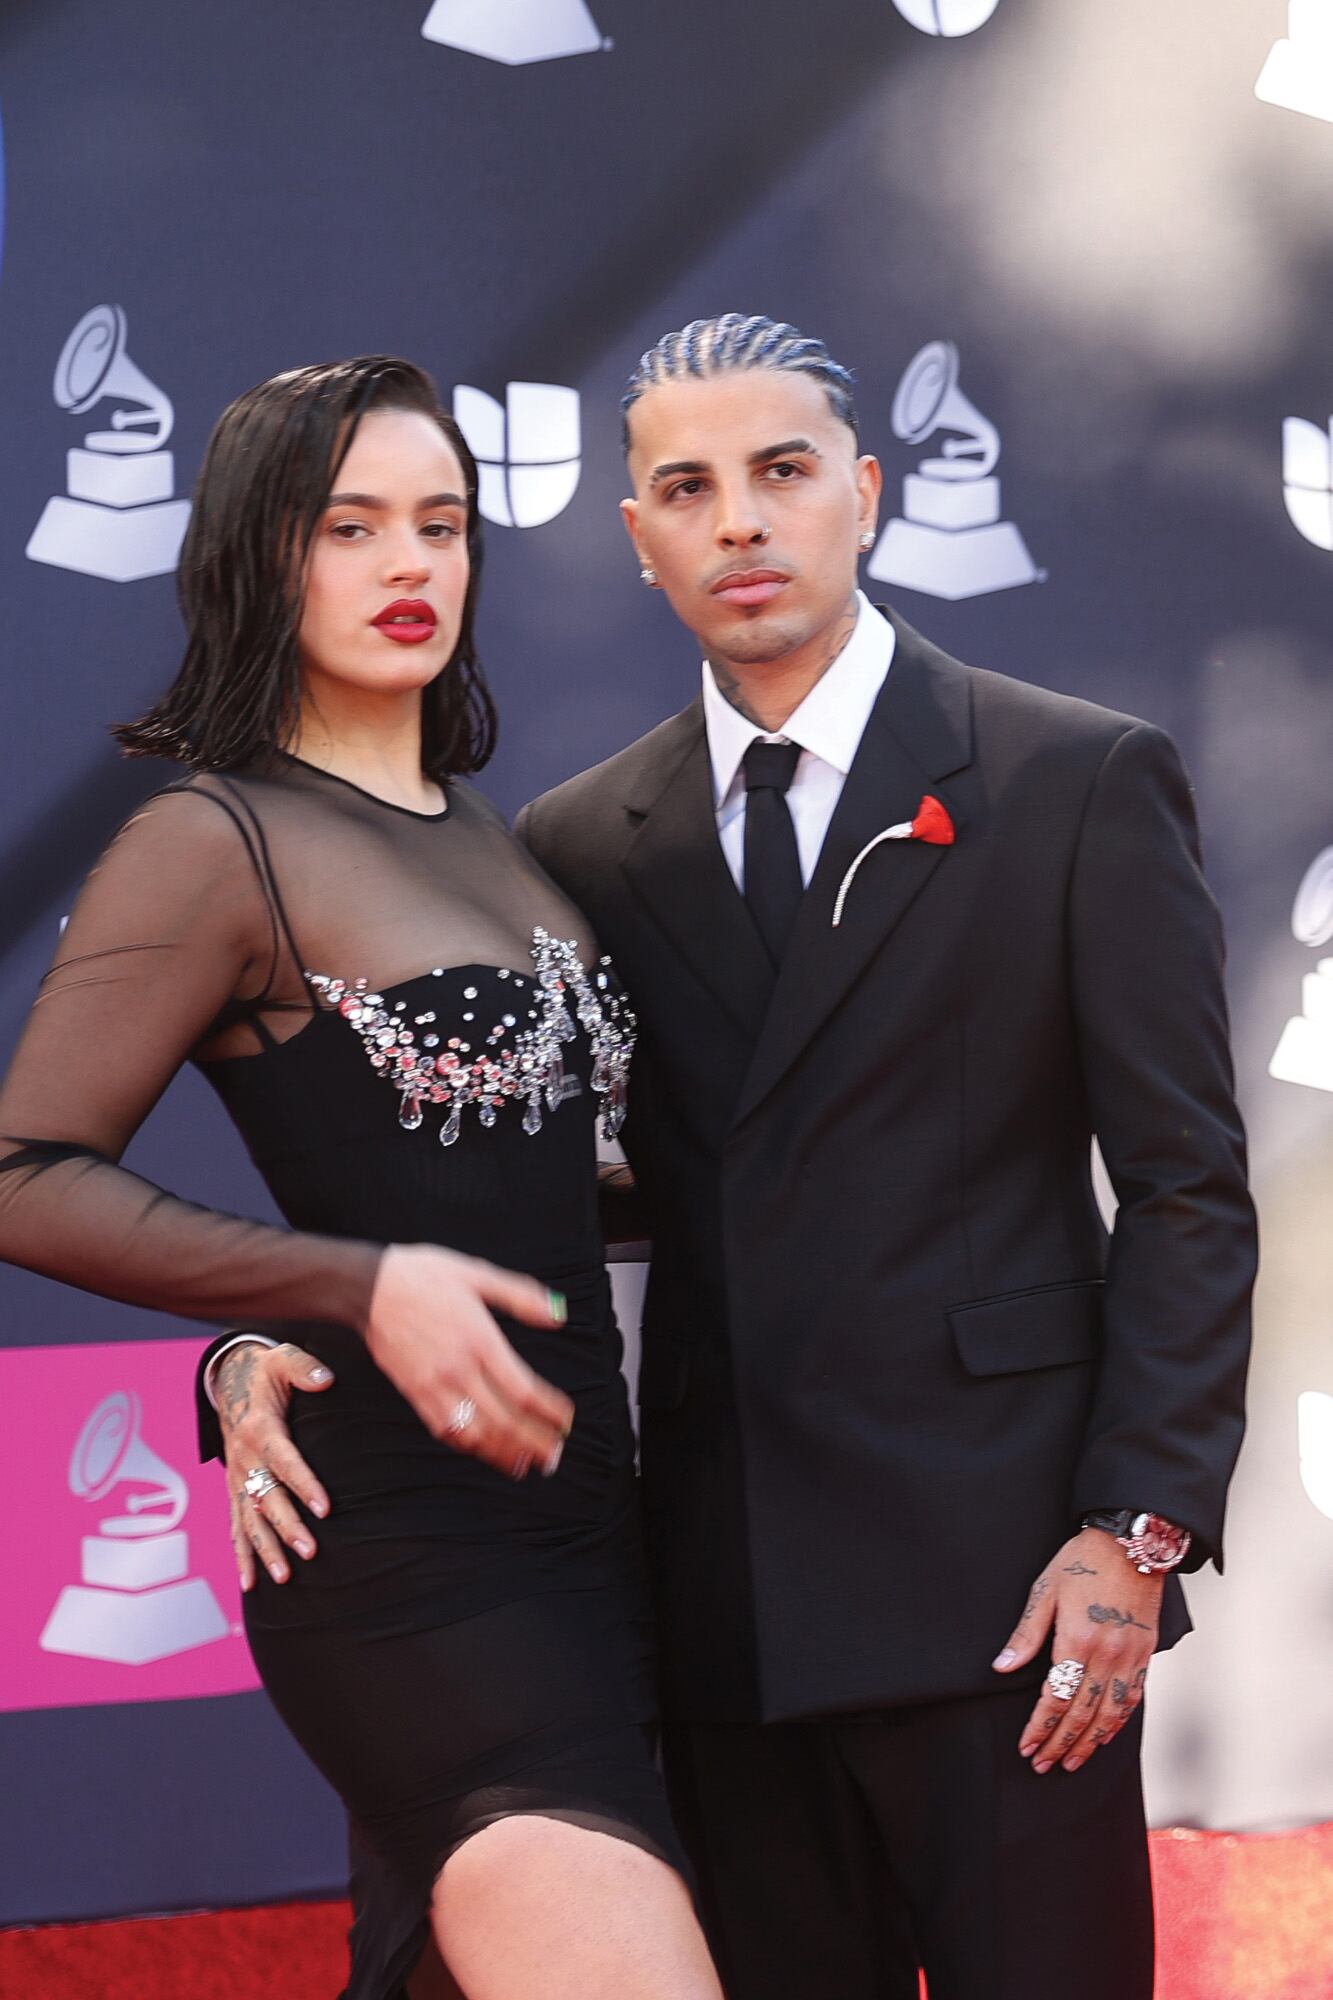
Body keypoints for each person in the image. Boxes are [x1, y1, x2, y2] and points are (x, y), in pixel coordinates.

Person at [214, 315, 1257, 2000]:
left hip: (1005, 1596)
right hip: (719, 1603)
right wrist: (276, 1339)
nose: (739, 525)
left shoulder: (1069, 779)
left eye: (778, 475)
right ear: (636, 539)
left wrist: (1131, 1533)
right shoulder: (576, 843)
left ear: (862, 492)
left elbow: (1187, 1186)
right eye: (685, 490)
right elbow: (521, 1202)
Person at [0, 356, 723, 2000]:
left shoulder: (493, 834)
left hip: (594, 1535)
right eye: (351, 527)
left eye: (442, 525)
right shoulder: (216, 839)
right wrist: (339, 1294)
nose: (412, 566)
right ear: (263, 553)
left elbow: (518, 1202)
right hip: (410, 1558)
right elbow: (22, 1169)